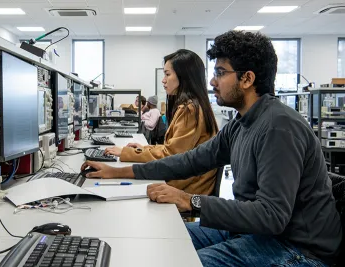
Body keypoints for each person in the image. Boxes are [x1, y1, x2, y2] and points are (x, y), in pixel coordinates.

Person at [82, 30, 341, 266]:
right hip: (255, 231)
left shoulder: (279, 127)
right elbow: (189, 160)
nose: (213, 82)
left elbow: (271, 215)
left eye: (220, 73)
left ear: (247, 78)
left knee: (176, 262)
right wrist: (117, 172)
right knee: (157, 237)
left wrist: (190, 201)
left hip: (297, 248)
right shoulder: (241, 123)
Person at [105, 49, 219, 196]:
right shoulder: (193, 106)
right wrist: (144, 149)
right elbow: (172, 149)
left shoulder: (190, 110)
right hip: (185, 182)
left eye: (167, 74)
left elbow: (172, 157)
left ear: (183, 76)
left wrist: (127, 153)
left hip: (186, 190)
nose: (163, 80)